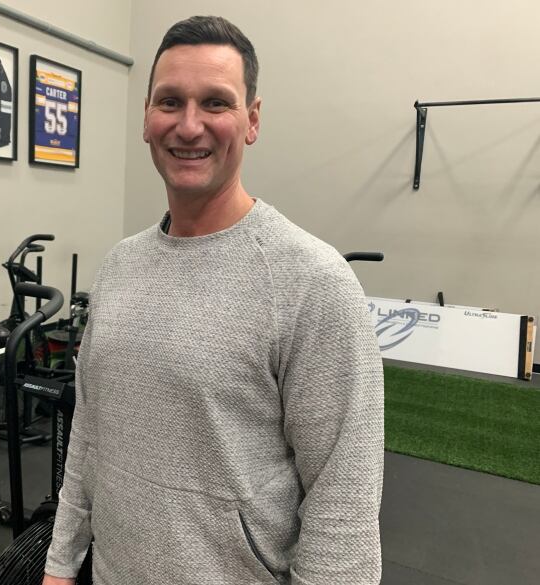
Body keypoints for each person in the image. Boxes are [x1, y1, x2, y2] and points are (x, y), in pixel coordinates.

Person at [43, 15, 384, 585]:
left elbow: (343, 496)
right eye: (170, 102)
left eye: (216, 103)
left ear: (251, 120)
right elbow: (89, 434)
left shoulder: (312, 279)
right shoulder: (121, 265)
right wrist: (61, 562)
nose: (189, 126)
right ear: (146, 120)